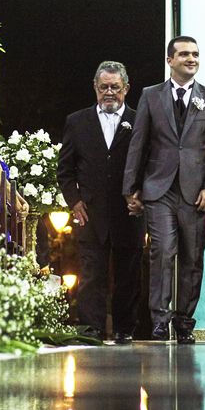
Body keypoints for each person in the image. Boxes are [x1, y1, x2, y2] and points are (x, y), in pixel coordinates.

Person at [123, 36, 205, 344]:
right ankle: (159, 321)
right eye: (184, 54)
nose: (191, 59)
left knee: (192, 259)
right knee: (162, 252)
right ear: (170, 60)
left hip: (197, 193)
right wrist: (130, 188)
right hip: (159, 190)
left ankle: (184, 322)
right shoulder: (150, 95)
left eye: (195, 54)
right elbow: (138, 144)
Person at [55, 61, 143, 343]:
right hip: (90, 213)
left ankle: (124, 329)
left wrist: (141, 196)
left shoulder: (141, 120)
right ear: (95, 88)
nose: (109, 92)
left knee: (129, 276)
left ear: (126, 89)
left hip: (130, 212)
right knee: (92, 273)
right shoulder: (76, 121)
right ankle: (91, 328)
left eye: (115, 87)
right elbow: (65, 170)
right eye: (103, 87)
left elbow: (151, 164)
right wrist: (74, 202)